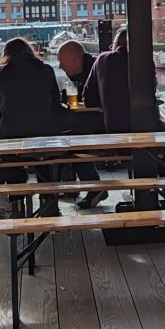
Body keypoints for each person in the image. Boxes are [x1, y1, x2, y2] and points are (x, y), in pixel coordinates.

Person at [0, 38, 68, 217]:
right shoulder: (46, 69)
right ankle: (49, 206)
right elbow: (56, 102)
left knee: (12, 161)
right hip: (44, 132)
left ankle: (17, 206)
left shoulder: (2, 72)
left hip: (12, 133)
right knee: (46, 161)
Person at [56, 39, 106, 205]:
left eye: (62, 63)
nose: (60, 67)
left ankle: (93, 188)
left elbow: (92, 100)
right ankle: (92, 187)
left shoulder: (95, 69)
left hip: (107, 122)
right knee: (70, 139)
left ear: (76, 60)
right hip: (103, 119)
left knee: (72, 144)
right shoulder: (87, 68)